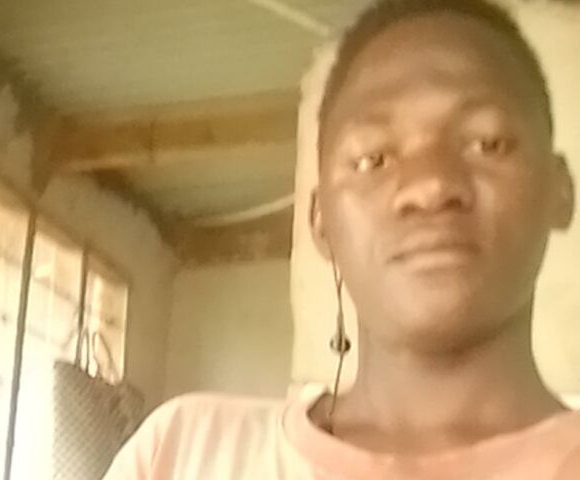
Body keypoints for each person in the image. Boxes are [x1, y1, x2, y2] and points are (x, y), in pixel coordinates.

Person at [103, 0, 580, 478]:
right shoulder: (184, 453)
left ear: (560, 191)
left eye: (487, 143)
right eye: (372, 159)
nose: (430, 186)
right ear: (322, 222)